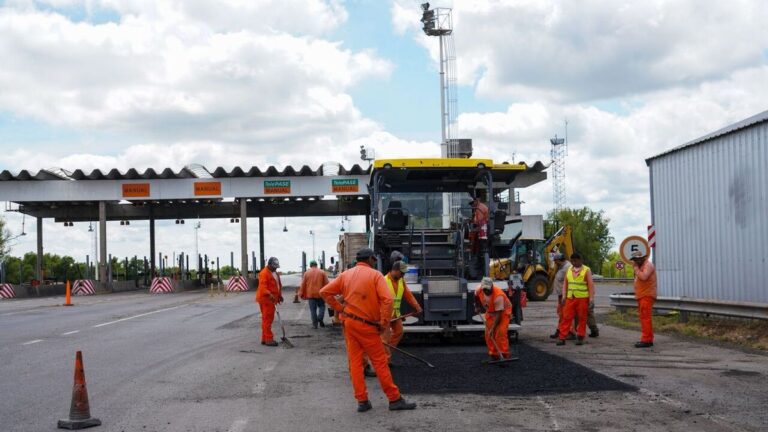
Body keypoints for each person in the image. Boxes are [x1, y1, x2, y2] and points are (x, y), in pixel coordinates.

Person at [320, 248, 417, 412]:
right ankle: (394, 399)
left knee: (356, 363)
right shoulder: (375, 275)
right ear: (371, 259)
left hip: (350, 324)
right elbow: (387, 300)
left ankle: (362, 401)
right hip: (368, 326)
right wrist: (384, 323)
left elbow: (324, 292)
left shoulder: (345, 275)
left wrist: (340, 308)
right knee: (380, 362)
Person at [384, 261, 423, 362]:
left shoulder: (401, 281)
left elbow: (408, 295)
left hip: (396, 314)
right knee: (385, 339)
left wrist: (417, 307)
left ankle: (385, 356)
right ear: (395, 270)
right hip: (385, 315)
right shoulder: (384, 281)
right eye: (402, 273)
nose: (403, 275)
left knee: (399, 332)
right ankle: (384, 361)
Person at [557, 253, 594, 346]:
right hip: (570, 298)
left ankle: (580, 337)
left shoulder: (586, 270)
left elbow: (590, 285)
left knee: (582, 318)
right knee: (566, 317)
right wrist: (564, 296)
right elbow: (565, 284)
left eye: (576, 261)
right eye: (572, 261)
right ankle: (562, 337)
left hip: (582, 298)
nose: (574, 263)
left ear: (581, 260)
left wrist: (591, 299)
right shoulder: (569, 269)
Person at [474, 277, 513, 360]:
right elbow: (476, 296)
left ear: (492, 286)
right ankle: (494, 354)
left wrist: (492, 328)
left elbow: (499, 315)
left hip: (503, 312)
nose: (486, 291)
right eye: (484, 289)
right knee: (488, 334)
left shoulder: (498, 296)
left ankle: (504, 355)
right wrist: (477, 306)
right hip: (490, 311)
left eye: (488, 289)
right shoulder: (479, 289)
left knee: (500, 332)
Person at [631, 250, 656, 348]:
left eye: (637, 259)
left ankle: (646, 340)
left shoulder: (648, 265)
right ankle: (648, 339)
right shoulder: (642, 266)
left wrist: (636, 269)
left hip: (647, 295)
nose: (635, 262)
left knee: (645, 318)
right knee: (644, 318)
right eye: (634, 260)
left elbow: (644, 277)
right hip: (642, 295)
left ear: (642, 258)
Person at [255, 257, 283, 347]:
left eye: (276, 267)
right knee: (267, 320)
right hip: (266, 300)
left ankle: (264, 338)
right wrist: (269, 294)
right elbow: (263, 287)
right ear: (269, 265)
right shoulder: (264, 273)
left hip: (272, 299)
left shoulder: (275, 273)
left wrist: (279, 295)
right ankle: (269, 339)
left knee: (266, 319)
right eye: (274, 267)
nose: (276, 268)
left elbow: (277, 285)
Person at [299, 260, 330, 329]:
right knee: (322, 306)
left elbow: (303, 284)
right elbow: (327, 283)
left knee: (313, 310)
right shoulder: (322, 272)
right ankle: (320, 318)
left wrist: (301, 293)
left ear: (310, 265)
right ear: (316, 265)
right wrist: (328, 293)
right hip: (320, 294)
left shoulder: (306, 273)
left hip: (310, 294)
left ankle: (315, 325)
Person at [549, 254, 571, 339]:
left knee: (565, 314)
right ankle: (560, 330)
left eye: (556, 261)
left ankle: (569, 332)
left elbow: (569, 281)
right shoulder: (561, 267)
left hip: (565, 295)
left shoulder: (568, 267)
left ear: (559, 260)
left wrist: (565, 295)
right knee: (561, 313)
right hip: (560, 295)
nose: (555, 263)